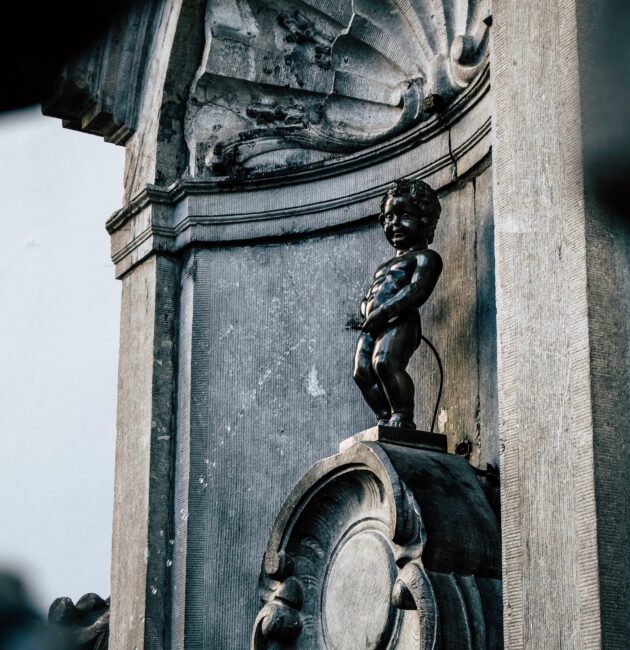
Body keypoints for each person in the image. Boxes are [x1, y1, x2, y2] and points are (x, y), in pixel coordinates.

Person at [353, 178, 443, 429]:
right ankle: (384, 417)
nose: (394, 223)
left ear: (424, 220)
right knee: (361, 371)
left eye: (404, 215)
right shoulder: (383, 267)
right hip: (374, 323)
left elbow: (416, 291)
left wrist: (383, 312)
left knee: (384, 363)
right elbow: (371, 295)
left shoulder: (426, 258)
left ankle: (402, 415)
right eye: (389, 217)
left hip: (401, 320)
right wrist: (365, 311)